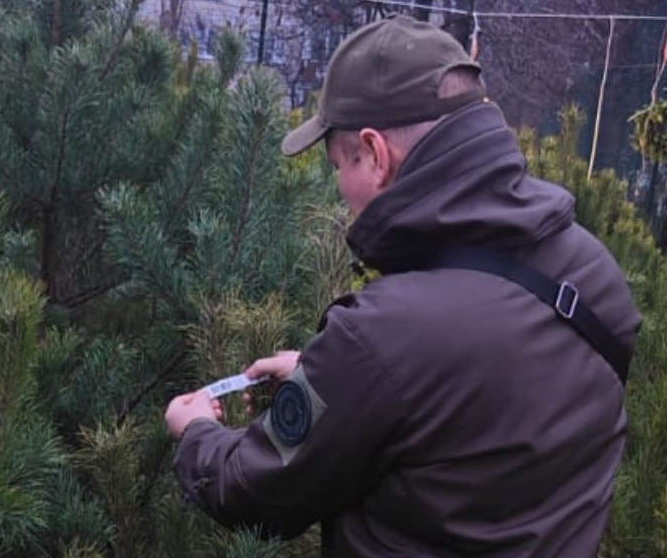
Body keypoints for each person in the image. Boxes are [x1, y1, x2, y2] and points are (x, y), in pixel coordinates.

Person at [164, 13, 642, 557]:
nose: (339, 187)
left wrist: (197, 432)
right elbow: (483, 408)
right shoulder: (593, 271)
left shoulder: (380, 338)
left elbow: (256, 486)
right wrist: (335, 384)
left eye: (338, 163)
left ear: (374, 153)